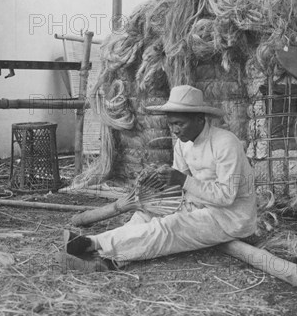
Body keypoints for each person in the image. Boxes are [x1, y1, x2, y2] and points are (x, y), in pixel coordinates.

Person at [62, 85, 257, 271]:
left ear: (200, 119)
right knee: (145, 215)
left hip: (229, 217)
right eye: (171, 124)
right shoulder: (183, 144)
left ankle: (97, 246)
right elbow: (178, 184)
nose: (174, 130)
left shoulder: (225, 143)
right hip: (198, 205)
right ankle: (103, 248)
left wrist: (181, 180)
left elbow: (226, 196)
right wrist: (159, 180)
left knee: (169, 226)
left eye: (180, 124)